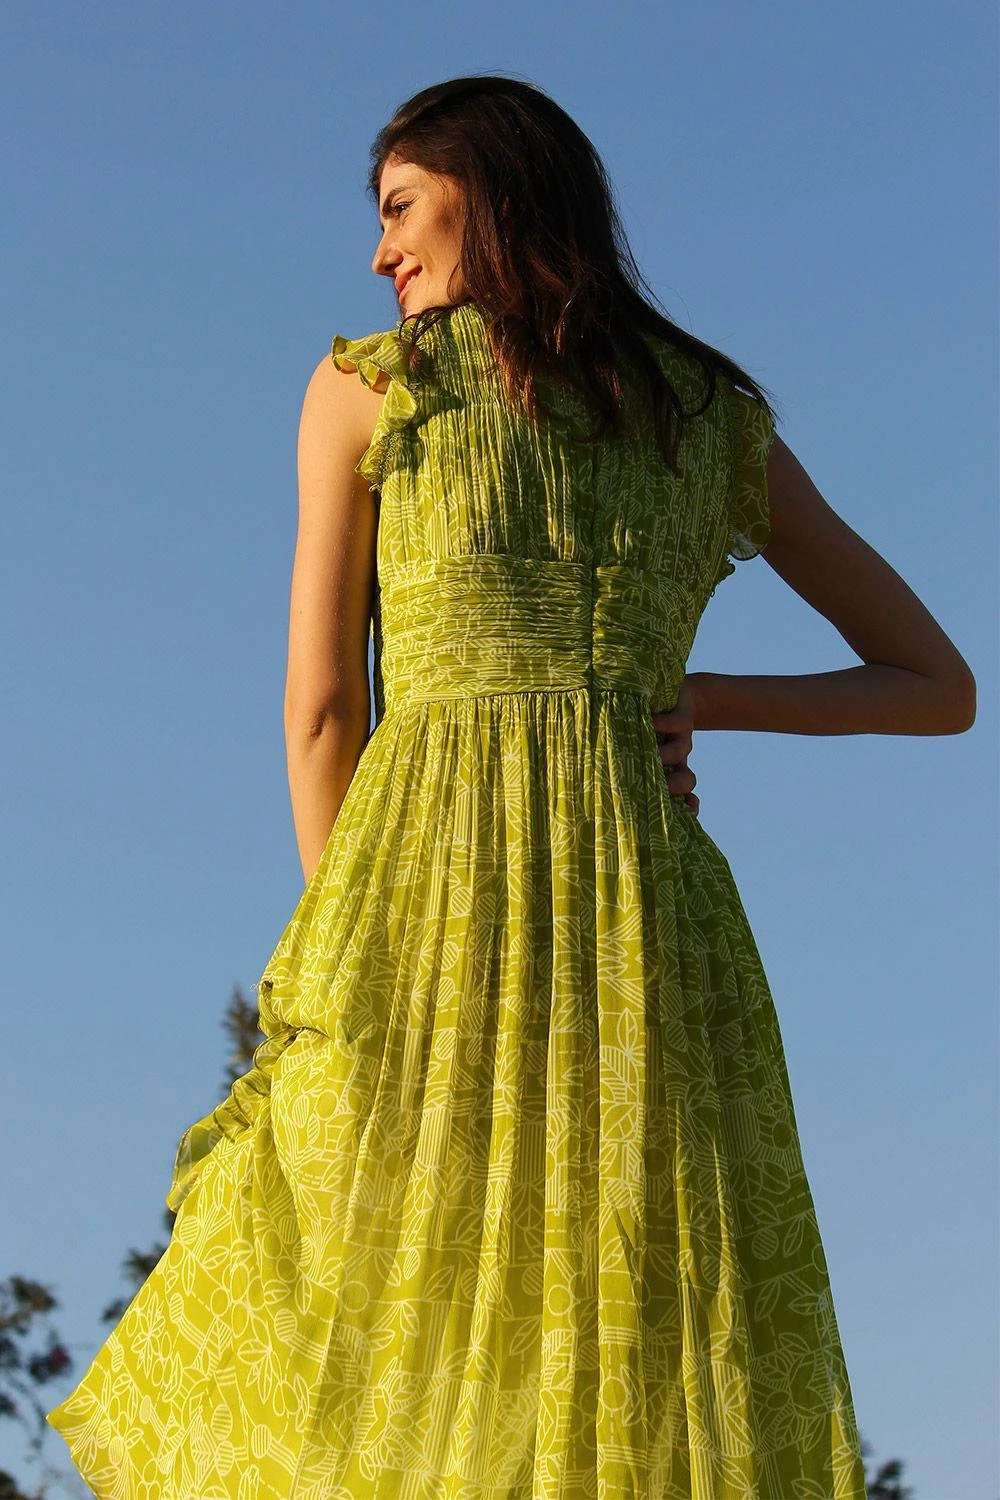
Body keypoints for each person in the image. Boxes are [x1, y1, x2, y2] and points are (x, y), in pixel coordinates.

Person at [47, 76, 976, 1499]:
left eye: (400, 207)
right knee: (625, 1342)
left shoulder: (371, 391)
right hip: (646, 942)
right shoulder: (704, 418)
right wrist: (697, 699)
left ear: (492, 194)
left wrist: (345, 951)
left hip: (430, 919)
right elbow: (937, 683)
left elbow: (319, 710)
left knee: (380, 1330)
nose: (379, 253)